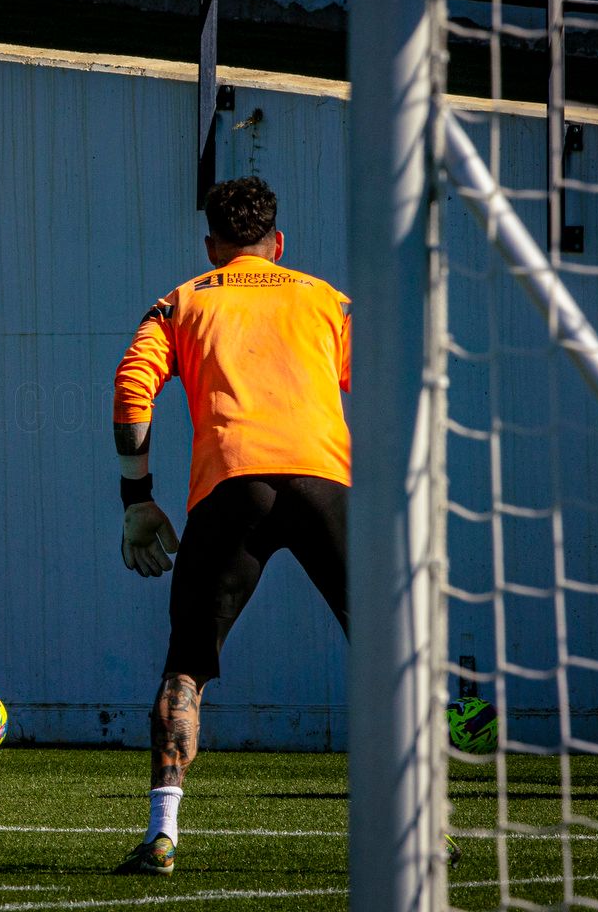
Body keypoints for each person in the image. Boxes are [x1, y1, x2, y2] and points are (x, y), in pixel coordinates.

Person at [110, 177, 351, 875]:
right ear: (278, 243)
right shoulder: (325, 299)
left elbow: (132, 394)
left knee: (185, 668)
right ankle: (425, 825)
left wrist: (137, 498)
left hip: (230, 488)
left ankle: (162, 836)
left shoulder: (183, 301)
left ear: (213, 246)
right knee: (388, 659)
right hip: (322, 483)